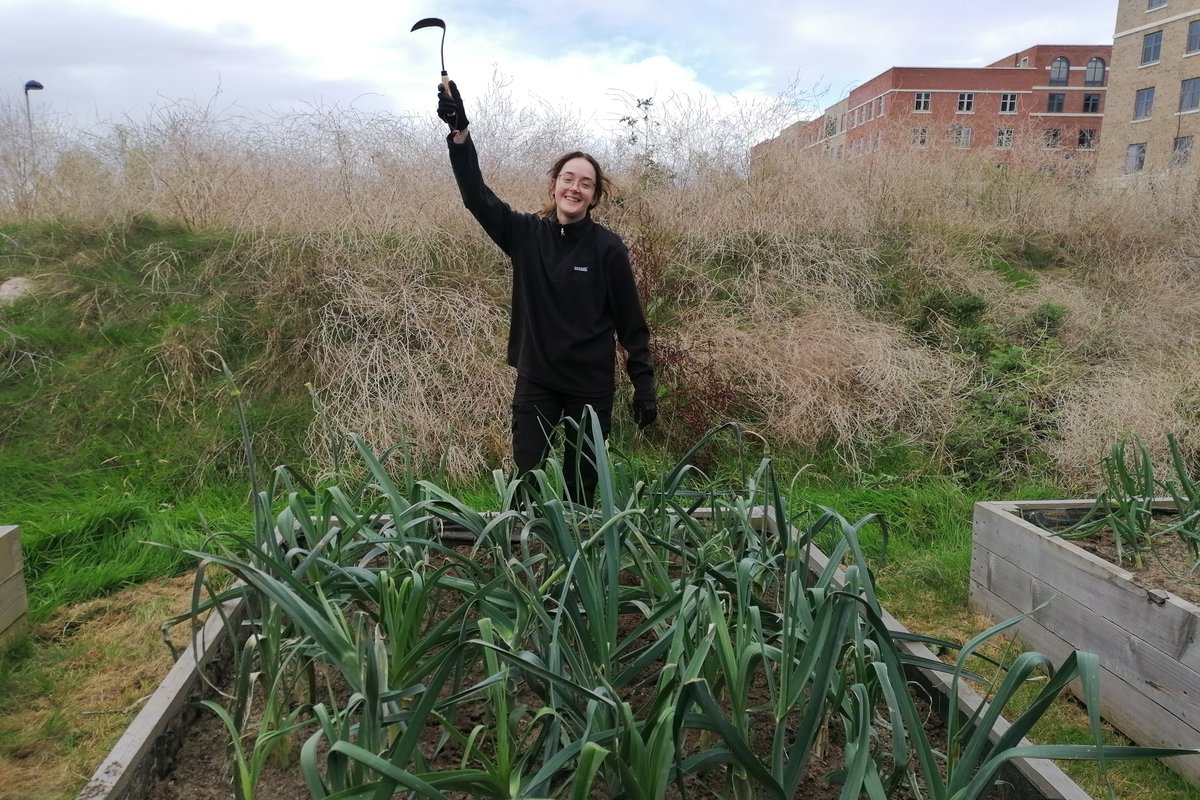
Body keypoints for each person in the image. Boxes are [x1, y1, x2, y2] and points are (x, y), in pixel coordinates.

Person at [437, 80, 657, 507]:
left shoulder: (608, 249)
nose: (575, 188)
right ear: (554, 185)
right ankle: (526, 563)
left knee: (581, 488)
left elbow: (632, 325)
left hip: (590, 388)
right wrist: (460, 134)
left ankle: (581, 567)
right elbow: (477, 198)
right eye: (568, 179)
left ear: (594, 197)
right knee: (527, 484)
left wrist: (643, 385)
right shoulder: (525, 235)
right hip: (537, 380)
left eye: (586, 184)